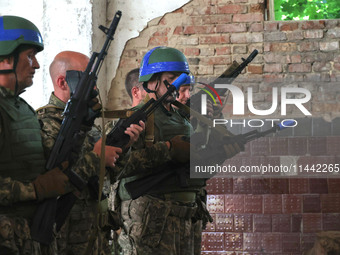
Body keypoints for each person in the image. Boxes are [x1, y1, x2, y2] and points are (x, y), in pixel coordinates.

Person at [115, 46, 243, 255]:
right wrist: (167, 150)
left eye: (182, 80)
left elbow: (197, 170)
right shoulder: (136, 117)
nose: (179, 86)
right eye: (172, 78)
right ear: (152, 82)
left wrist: (220, 154)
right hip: (151, 219)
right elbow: (116, 168)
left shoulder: (183, 118)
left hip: (186, 217)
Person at [37, 51, 144, 255]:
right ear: (62, 82)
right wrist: (95, 158)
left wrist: (125, 147)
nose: (94, 88)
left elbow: (107, 177)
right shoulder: (45, 125)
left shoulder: (88, 125)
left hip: (96, 233)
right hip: (65, 236)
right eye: (86, 80)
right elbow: (53, 182)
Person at [0, 15, 76, 255]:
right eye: (30, 56)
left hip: (29, 237)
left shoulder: (22, 108)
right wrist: (34, 190)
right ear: (5, 57)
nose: (36, 65)